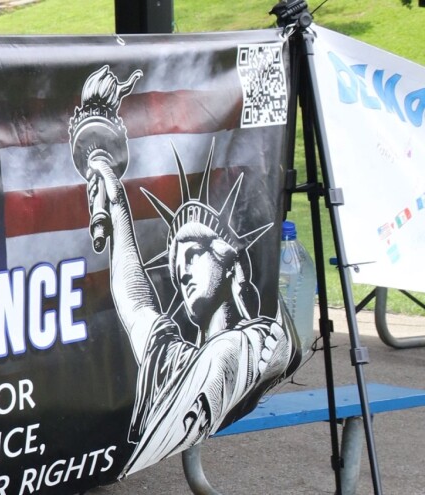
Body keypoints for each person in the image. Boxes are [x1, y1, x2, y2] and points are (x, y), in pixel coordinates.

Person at [68, 66, 302, 477]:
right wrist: (115, 196)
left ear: (232, 263)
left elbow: (282, 345)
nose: (183, 272)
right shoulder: (172, 362)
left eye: (192, 254)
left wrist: (277, 350)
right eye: (176, 268)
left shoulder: (259, 342)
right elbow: (133, 296)